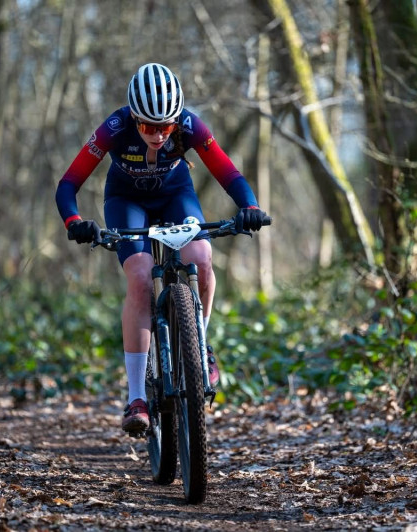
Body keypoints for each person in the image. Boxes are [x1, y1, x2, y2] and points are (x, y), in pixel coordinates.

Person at [55, 63, 267, 433]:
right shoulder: (114, 128)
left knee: (201, 258)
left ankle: (200, 346)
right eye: (148, 127)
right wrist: (75, 222)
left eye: (165, 127)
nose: (157, 135)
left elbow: (228, 173)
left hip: (175, 196)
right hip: (126, 201)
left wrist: (249, 206)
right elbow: (68, 184)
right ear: (134, 118)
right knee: (140, 278)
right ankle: (136, 397)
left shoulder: (190, 125)